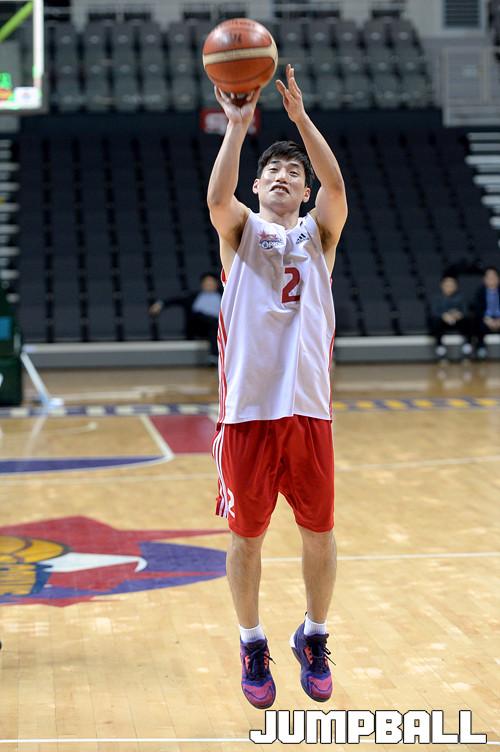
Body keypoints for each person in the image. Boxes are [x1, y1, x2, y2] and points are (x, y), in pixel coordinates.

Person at [207, 65, 348, 709]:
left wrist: (300, 120)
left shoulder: (319, 234)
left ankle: (313, 635)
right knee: (247, 537)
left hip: (308, 410)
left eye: (295, 171)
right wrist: (238, 127)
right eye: (274, 172)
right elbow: (217, 199)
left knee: (320, 531)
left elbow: (337, 187)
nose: (285, 176)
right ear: (259, 187)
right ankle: (252, 641)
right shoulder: (241, 232)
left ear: (303, 188)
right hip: (248, 414)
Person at [149, 272, 221, 363]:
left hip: (216, 327)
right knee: (206, 318)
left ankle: (214, 356)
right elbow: (175, 300)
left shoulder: (223, 296)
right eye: (206, 282)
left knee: (215, 325)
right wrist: (160, 304)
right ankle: (214, 356)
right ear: (202, 284)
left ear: (216, 284)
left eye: (211, 282)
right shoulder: (193, 297)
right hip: (198, 325)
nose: (208, 285)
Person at [429, 275, 472, 361]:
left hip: (458, 322)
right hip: (443, 322)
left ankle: (467, 346)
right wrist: (444, 315)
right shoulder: (436, 298)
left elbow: (466, 311)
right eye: (447, 285)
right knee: (435, 321)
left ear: (456, 286)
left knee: (469, 320)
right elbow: (434, 312)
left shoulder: (462, 297)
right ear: (442, 285)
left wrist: (459, 315)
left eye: (451, 285)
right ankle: (440, 348)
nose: (449, 287)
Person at [472, 266, 500, 359]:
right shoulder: (479, 292)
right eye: (489, 277)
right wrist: (487, 320)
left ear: (498, 279)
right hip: (485, 319)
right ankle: (481, 349)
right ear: (484, 279)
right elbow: (477, 309)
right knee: (476, 322)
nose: (491, 279)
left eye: (494, 277)